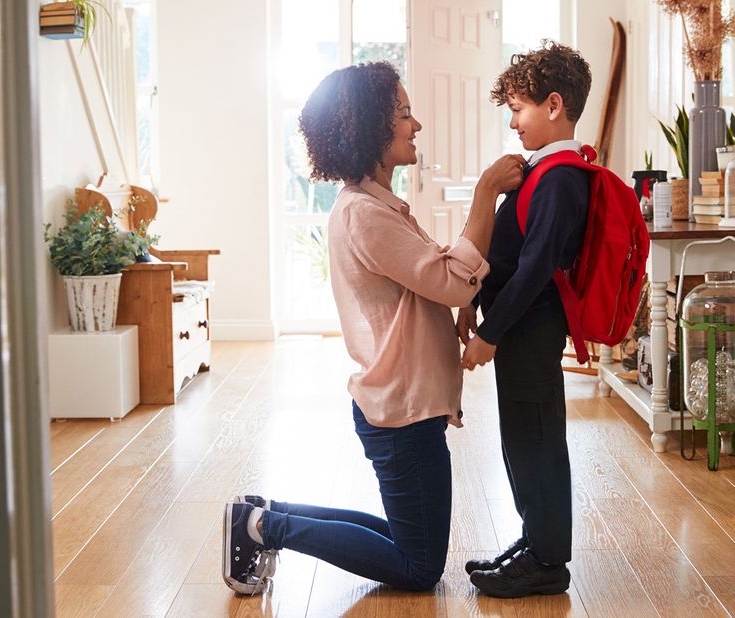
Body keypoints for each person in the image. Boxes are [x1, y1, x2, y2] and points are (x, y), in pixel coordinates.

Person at [221, 61, 526, 595]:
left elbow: (431, 282)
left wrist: (457, 300)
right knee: (418, 566)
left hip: (402, 406)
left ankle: (263, 513)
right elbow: (452, 280)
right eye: (404, 114)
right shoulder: (366, 214)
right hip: (402, 413)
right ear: (369, 129)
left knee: (409, 539)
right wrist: (485, 194)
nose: (416, 125)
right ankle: (265, 527)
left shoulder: (376, 206)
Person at [456, 41, 593, 598]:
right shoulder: (542, 171)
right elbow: (511, 254)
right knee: (521, 438)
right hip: (520, 330)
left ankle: (548, 561)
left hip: (530, 331)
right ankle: (536, 542)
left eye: (518, 108)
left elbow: (536, 268)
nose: (512, 122)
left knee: (536, 442)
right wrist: (473, 298)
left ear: (553, 104)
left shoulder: (561, 176)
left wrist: (490, 333)